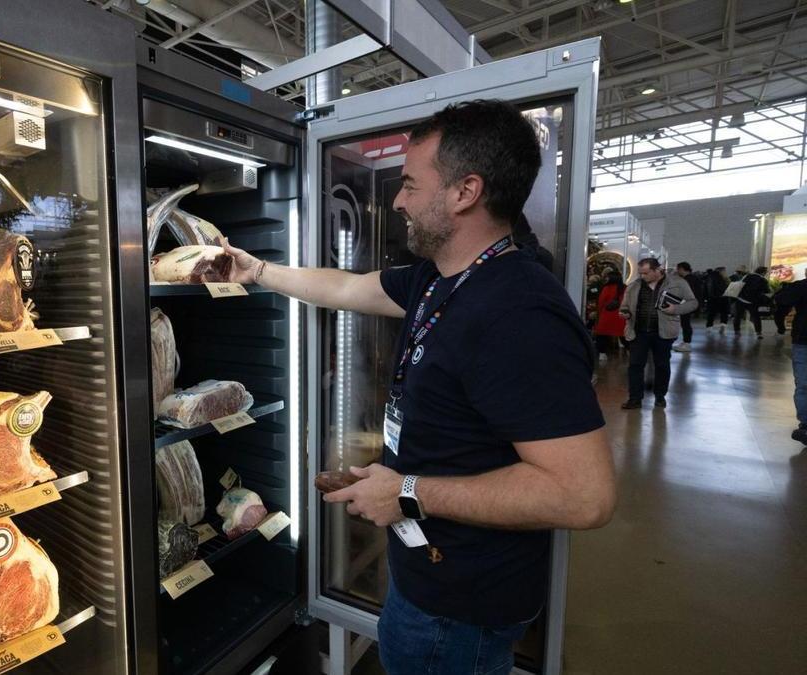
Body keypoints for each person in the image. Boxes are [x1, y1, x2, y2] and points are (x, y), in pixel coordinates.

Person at [221, 99, 615, 675]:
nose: (398, 200)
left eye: (410, 184)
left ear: (465, 191)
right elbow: (351, 289)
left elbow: (586, 496)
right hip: (429, 580)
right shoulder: (443, 277)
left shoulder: (519, 313)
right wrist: (256, 272)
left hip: (461, 609)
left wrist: (408, 491)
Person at [619, 258, 698, 409]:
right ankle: (635, 398)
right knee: (635, 365)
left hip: (664, 333)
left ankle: (660, 396)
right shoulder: (634, 286)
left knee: (662, 365)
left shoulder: (677, 283)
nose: (642, 276)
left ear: (657, 270)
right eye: (640, 273)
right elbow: (625, 306)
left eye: (646, 273)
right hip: (638, 332)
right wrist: (625, 313)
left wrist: (675, 310)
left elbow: (693, 303)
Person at [774, 279, 807, 445]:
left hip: (802, 342)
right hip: (803, 342)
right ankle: (805, 425)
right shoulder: (802, 287)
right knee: (803, 385)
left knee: (803, 385)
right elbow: (781, 299)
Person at [594, 269, 626, 360]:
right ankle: (629, 352)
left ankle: (602, 354)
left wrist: (598, 313)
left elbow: (601, 302)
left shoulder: (607, 288)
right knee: (623, 335)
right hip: (621, 316)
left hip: (606, 316)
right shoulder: (625, 288)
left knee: (602, 334)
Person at [733, 266, 771, 338]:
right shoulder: (763, 280)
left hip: (741, 299)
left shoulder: (747, 276)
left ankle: (737, 331)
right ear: (763, 273)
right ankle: (758, 333)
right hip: (753, 302)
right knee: (756, 317)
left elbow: (740, 285)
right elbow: (767, 291)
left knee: (738, 316)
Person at [672, 261, 699, 352]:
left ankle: (687, 342)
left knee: (685, 323)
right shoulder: (693, 278)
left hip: (687, 304)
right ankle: (686, 342)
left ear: (681, 269)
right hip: (690, 304)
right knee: (685, 323)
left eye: (678, 269)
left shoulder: (687, 280)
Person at [704, 266, 731, 332]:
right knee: (724, 313)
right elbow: (726, 288)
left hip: (712, 299)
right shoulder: (724, 278)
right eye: (724, 271)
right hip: (723, 298)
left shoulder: (709, 277)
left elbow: (706, 288)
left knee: (711, 313)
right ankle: (723, 325)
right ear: (721, 271)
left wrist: (706, 298)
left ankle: (709, 327)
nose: (725, 272)